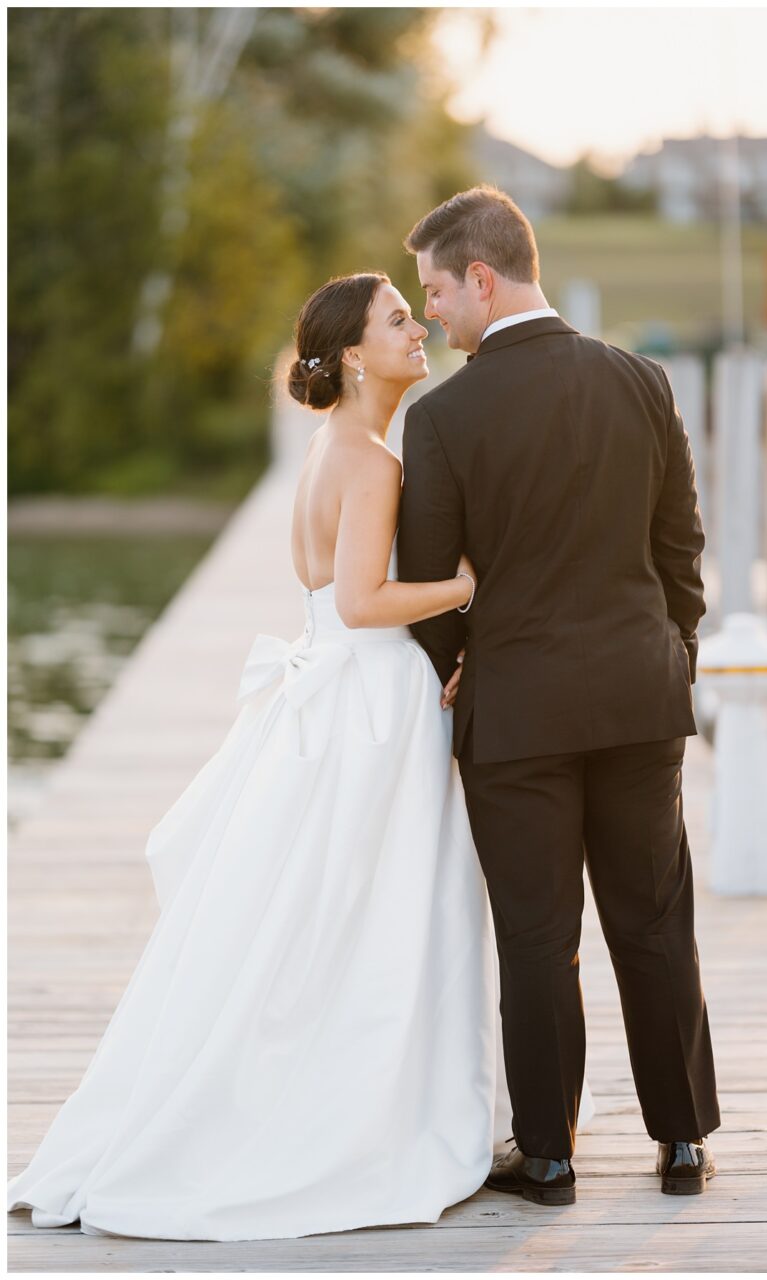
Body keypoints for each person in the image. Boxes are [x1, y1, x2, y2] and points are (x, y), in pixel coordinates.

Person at [7, 270, 596, 1243]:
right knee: (388, 907)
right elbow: (364, 600)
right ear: (356, 354)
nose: (419, 328)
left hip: (332, 688)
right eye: (398, 320)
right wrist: (464, 585)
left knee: (330, 910)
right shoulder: (369, 463)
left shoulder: (329, 452)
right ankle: (370, 1119)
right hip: (370, 701)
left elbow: (332, 598)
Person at [397, 186, 721, 1202]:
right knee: (656, 918)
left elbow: (422, 577)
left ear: (483, 278)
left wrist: (468, 656)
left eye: (438, 290)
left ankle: (547, 1153)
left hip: (519, 712)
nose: (434, 313)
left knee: (539, 934)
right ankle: (681, 1143)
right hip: (640, 694)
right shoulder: (642, 379)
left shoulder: (443, 416)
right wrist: (675, 654)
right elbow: (681, 552)